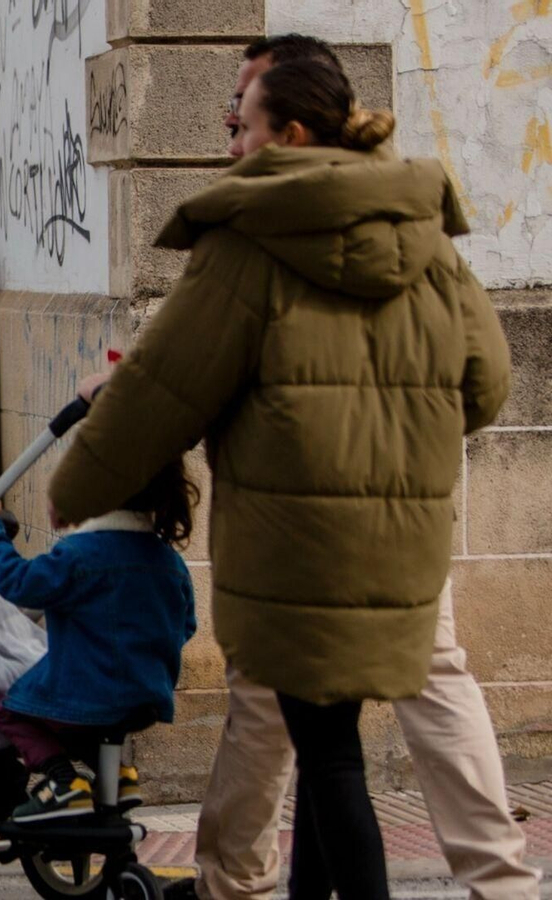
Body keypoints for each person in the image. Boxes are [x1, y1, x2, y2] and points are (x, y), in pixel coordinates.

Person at [45, 49, 513, 898]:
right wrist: (401, 445)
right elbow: (486, 386)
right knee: (330, 742)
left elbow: (164, 390)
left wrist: (74, 489)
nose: (229, 146)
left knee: (330, 757)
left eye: (241, 124)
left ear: (288, 135)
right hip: (401, 542)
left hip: (294, 550)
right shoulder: (425, 237)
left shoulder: (246, 244)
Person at [0, 460, 197, 822]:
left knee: (12, 710)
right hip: (149, 694)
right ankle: (116, 776)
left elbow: (18, 583)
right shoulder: (169, 561)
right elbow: (188, 624)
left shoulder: (80, 556)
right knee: (85, 719)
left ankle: (63, 781)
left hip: (86, 688)